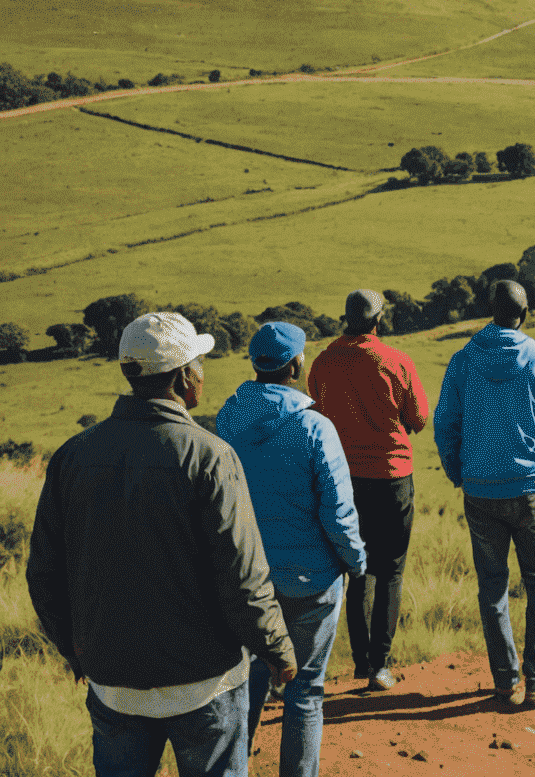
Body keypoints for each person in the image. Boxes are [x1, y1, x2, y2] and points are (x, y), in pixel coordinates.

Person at [27, 311, 297, 777]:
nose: (203, 375)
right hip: (204, 681)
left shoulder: (72, 456)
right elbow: (242, 577)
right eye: (199, 364)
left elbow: (43, 573)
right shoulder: (210, 457)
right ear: (183, 376)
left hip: (113, 681)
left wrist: (75, 649)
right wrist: (277, 649)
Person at [217, 320, 368, 777]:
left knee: (248, 682)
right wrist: (356, 561)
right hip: (309, 580)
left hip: (246, 579)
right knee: (305, 691)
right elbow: (339, 513)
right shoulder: (315, 427)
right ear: (296, 364)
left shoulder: (228, 419)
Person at [433, 279, 535, 706]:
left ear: (489, 312)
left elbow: (445, 425)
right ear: (525, 313)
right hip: (533, 487)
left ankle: (503, 681)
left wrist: (459, 473)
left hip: (479, 491)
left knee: (492, 587)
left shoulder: (461, 362)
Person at [308, 288, 430, 690]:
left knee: (356, 571)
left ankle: (361, 662)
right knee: (390, 570)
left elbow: (318, 413)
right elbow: (419, 417)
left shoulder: (324, 363)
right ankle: (380, 665)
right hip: (392, 476)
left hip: (343, 478)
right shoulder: (396, 360)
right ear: (379, 320)